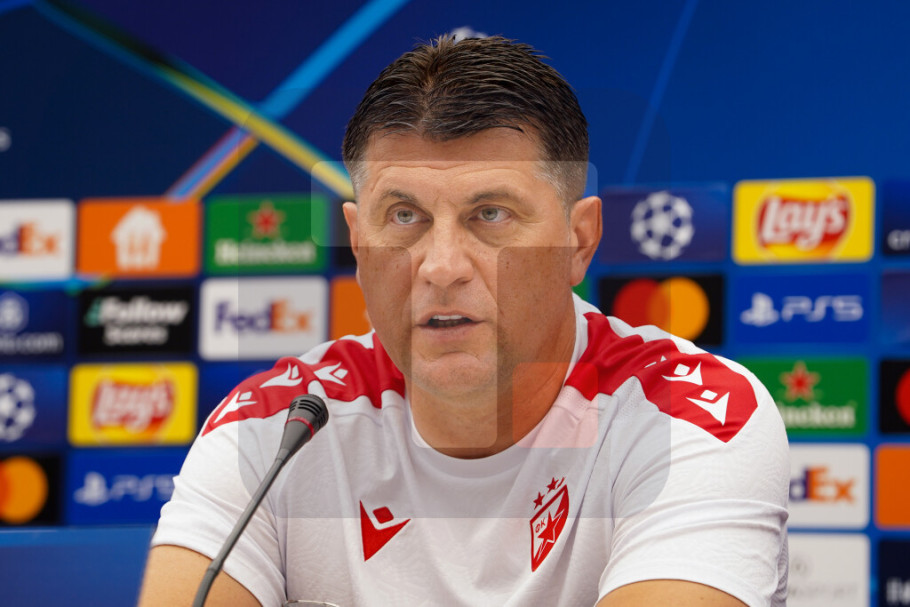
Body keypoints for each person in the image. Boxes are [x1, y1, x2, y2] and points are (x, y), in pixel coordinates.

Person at [138, 36, 789, 606]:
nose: (441, 266)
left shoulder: (688, 417)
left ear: (578, 241)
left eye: (491, 214)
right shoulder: (278, 428)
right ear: (359, 244)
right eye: (403, 217)